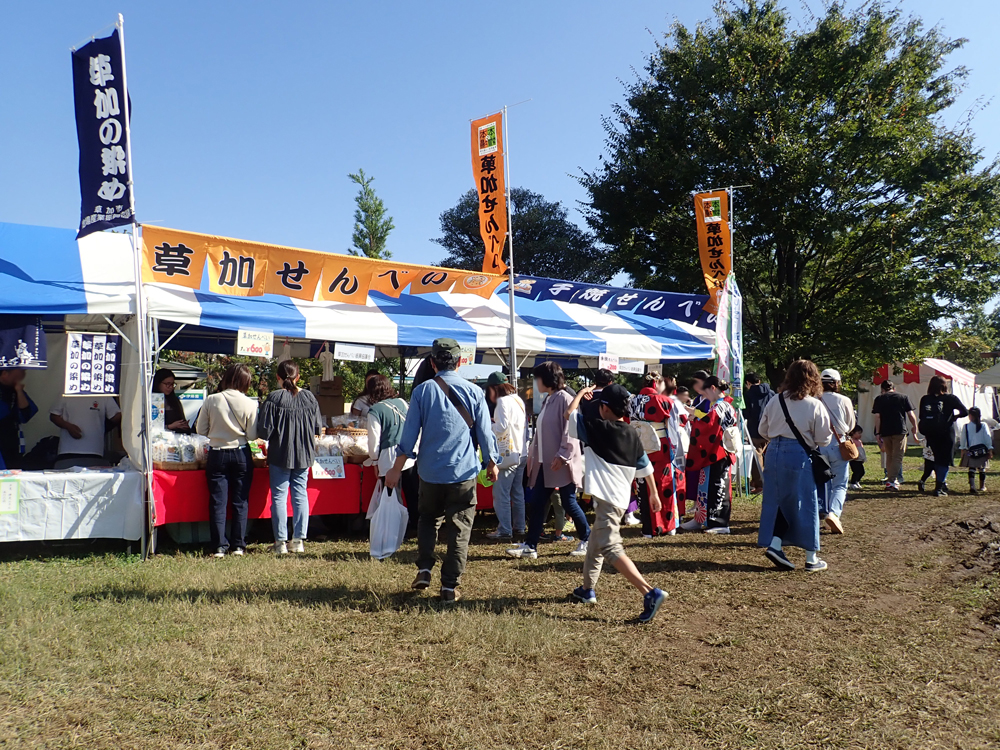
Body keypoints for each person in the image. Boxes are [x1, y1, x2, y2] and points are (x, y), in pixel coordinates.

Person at [385, 338, 499, 603]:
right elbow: (485, 433)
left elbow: (408, 436)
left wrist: (395, 468)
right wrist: (492, 463)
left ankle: (424, 569)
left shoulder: (421, 392)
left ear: (432, 362)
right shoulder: (475, 391)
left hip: (430, 472)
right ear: (460, 362)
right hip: (463, 472)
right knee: (460, 528)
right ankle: (449, 586)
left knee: (427, 519)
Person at [565, 384, 668, 623]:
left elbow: (568, 414)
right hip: (620, 500)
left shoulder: (595, 427)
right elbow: (645, 467)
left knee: (611, 547)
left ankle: (649, 592)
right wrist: (653, 494)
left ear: (604, 408)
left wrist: (579, 394)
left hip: (607, 501)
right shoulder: (632, 433)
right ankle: (587, 589)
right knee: (595, 544)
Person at [507, 361, 591, 559]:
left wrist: (562, 455)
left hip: (561, 462)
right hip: (546, 463)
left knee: (569, 502)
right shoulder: (549, 399)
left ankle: (587, 539)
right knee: (538, 503)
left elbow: (570, 430)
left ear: (547, 379)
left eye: (537, 378)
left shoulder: (565, 398)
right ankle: (530, 546)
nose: (535, 382)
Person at [757, 360, 832, 572]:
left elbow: (763, 430)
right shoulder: (814, 404)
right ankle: (811, 557)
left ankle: (775, 543)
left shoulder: (776, 400)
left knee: (777, 500)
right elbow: (824, 438)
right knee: (805, 501)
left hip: (773, 452)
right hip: (799, 454)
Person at [257, 360, 323, 555]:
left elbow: (264, 431)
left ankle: (280, 543)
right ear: (298, 377)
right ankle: (298, 541)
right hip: (304, 454)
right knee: (300, 494)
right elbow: (317, 428)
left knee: (279, 496)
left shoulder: (274, 398)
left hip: (280, 454)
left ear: (277, 377)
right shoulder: (309, 397)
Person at [197, 364, 258, 558]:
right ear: (246, 381)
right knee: (241, 500)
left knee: (218, 501)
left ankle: (219, 546)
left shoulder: (212, 400)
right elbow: (252, 435)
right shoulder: (250, 403)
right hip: (241, 453)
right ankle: (238, 545)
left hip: (217, 453)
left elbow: (200, 430)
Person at [628, 374, 684, 537]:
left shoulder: (632, 401)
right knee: (664, 485)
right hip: (660, 447)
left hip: (639, 447)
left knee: (644, 485)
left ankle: (648, 527)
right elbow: (674, 427)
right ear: (656, 383)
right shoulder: (664, 401)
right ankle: (668, 525)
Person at [682, 376, 738, 534]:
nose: (705, 397)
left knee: (717, 486)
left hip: (719, 453)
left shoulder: (722, 406)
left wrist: (696, 421)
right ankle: (701, 518)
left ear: (713, 388)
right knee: (705, 485)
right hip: (712, 451)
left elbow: (709, 426)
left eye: (705, 393)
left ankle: (719, 522)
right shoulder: (719, 405)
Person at [365, 374, 419, 536]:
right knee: (412, 493)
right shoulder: (402, 403)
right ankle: (416, 526)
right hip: (409, 454)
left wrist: (374, 460)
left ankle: (395, 528)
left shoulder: (375, 411)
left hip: (388, 457)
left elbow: (374, 442)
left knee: (391, 496)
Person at [486, 372, 527, 540]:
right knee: (517, 493)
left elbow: (502, 427)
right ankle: (519, 527)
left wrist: (488, 425)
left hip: (507, 455)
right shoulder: (518, 399)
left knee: (501, 493)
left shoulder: (502, 402)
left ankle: (504, 529)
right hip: (521, 452)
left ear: (494, 388)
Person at [818, 369, 855, 534]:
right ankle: (833, 514)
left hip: (819, 444)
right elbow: (850, 424)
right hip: (838, 443)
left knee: (823, 481)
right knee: (839, 483)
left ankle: (825, 511)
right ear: (836, 382)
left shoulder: (814, 399)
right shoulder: (844, 400)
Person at [917, 376, 968, 496]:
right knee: (944, 461)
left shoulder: (925, 399)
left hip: (931, 434)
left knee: (937, 458)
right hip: (946, 433)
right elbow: (965, 411)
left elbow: (921, 416)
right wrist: (954, 417)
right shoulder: (950, 398)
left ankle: (941, 484)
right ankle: (939, 487)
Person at [48, 396, 122, 468]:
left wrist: (104, 428)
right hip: (68, 450)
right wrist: (68, 427)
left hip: (95, 451)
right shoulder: (68, 391)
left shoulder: (102, 393)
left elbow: (116, 416)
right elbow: (54, 416)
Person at [872, 380, 917, 491]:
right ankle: (891, 481)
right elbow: (910, 414)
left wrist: (877, 432)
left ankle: (891, 478)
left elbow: (877, 417)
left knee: (889, 456)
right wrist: (915, 426)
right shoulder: (903, 397)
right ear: (894, 388)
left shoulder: (879, 399)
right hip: (899, 430)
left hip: (885, 431)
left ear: (882, 389)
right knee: (897, 456)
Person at [742, 372, 775, 494]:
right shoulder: (771, 393)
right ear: (759, 381)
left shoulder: (748, 395)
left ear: (748, 383)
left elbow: (746, 413)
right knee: (768, 456)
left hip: (755, 429)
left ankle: (760, 484)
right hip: (770, 429)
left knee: (756, 456)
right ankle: (763, 481)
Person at [0, 369, 38, 469]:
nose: (23, 375)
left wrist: (19, 391)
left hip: (11, 439)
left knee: (12, 470)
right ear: (5, 373)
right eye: (20, 372)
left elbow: (26, 414)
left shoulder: (14, 390)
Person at [960, 407, 993, 494]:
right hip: (982, 451)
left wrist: (962, 449)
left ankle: (972, 486)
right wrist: (989, 449)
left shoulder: (966, 426)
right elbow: (987, 437)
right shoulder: (983, 425)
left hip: (970, 451)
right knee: (982, 469)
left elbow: (963, 439)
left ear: (970, 416)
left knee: (972, 468)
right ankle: (982, 486)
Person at [152, 368, 193, 433]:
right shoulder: (151, 400)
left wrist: (183, 425)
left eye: (172, 384)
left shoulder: (174, 400)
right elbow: (151, 426)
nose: (170, 387)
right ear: (158, 383)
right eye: (167, 384)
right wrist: (169, 426)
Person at [848, 426, 867, 490]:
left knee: (862, 472)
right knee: (856, 471)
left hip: (860, 460)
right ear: (852, 433)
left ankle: (857, 481)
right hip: (854, 460)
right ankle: (853, 483)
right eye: (858, 433)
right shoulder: (851, 441)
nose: (860, 435)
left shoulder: (859, 441)